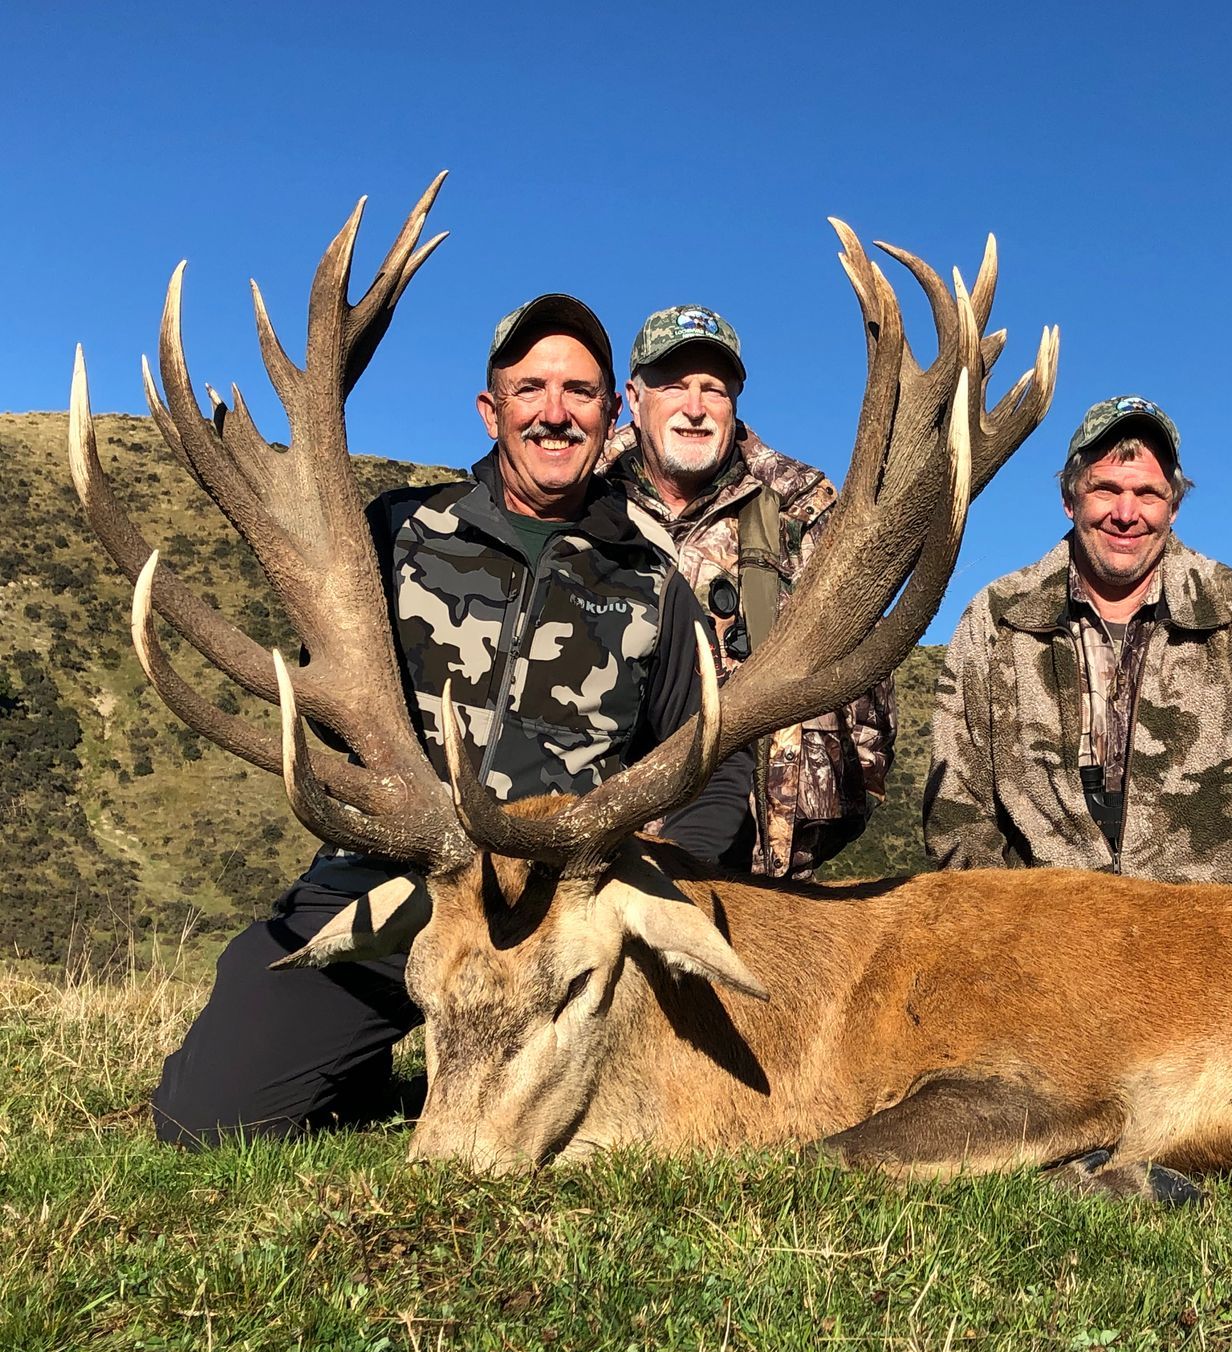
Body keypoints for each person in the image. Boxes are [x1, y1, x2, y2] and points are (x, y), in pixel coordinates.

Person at [152, 295, 751, 1146]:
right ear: (491, 408)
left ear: (610, 415)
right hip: (389, 879)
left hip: (550, 918)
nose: (555, 413)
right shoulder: (397, 533)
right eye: (531, 387)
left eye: (580, 393)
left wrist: (646, 876)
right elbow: (327, 705)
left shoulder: (653, 588)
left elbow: (717, 760)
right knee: (203, 1120)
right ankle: (351, 1053)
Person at [924, 395, 1232, 885]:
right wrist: (1002, 935)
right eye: (1105, 489)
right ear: (1070, 500)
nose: (1126, 513)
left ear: (1173, 507)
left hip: (1215, 943)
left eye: (1148, 494)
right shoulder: (998, 619)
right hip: (1047, 946)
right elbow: (955, 812)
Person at [599, 304, 893, 879]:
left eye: (715, 389)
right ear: (633, 399)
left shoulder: (804, 510)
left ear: (735, 401)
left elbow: (867, 692)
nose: (695, 407)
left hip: (758, 870)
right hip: (592, 861)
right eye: (674, 385)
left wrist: (808, 825)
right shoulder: (576, 497)